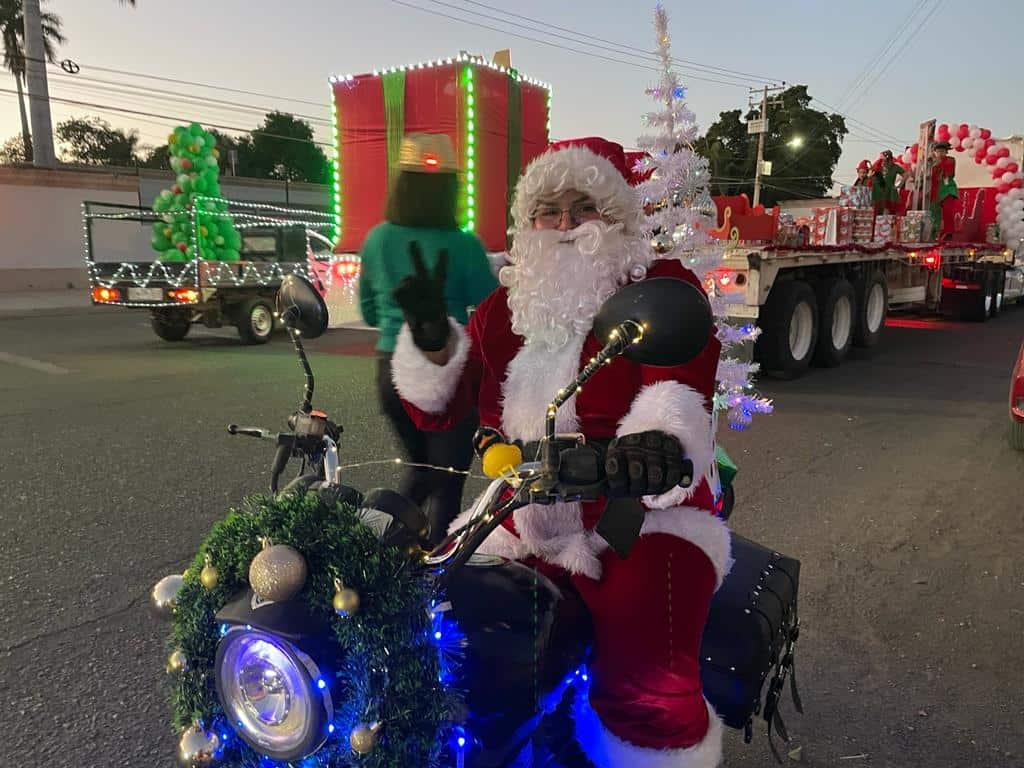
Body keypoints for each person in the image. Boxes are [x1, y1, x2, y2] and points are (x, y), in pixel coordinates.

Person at [390, 136, 728, 767]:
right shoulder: (506, 306)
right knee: (433, 618)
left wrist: (653, 443)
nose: (566, 225)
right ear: (529, 222)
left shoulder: (659, 287)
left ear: (618, 218)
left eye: (584, 207)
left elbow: (679, 384)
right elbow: (440, 402)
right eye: (550, 210)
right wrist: (433, 342)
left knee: (647, 675)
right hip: (521, 506)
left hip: (637, 511)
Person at [358, 132, 497, 546]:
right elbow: (489, 305)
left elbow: (368, 311)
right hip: (446, 371)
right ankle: (435, 573)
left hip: (391, 373)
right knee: (448, 481)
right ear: (450, 190)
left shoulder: (377, 239)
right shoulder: (464, 244)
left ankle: (372, 543)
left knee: (422, 471)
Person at [929, 140, 958, 240]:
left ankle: (949, 232)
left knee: (948, 210)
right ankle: (934, 232)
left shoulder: (950, 160)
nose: (940, 153)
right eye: (938, 151)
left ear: (946, 152)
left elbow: (949, 172)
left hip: (947, 189)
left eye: (942, 151)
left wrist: (936, 162)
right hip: (935, 190)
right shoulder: (931, 163)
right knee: (934, 211)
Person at [871, 150, 904, 214]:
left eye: (884, 159)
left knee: (887, 212)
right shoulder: (878, 166)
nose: (882, 161)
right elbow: (871, 175)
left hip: (889, 192)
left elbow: (905, 174)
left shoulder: (895, 167)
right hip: (878, 192)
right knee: (877, 212)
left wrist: (899, 185)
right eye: (881, 159)